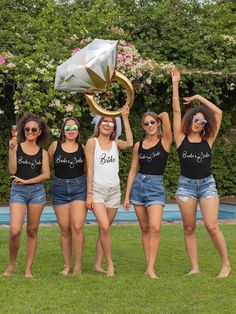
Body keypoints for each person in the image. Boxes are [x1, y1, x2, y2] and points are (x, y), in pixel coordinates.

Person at [171, 68, 231, 278]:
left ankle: (226, 265)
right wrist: (176, 84)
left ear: (206, 125)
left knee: (212, 226)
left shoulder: (209, 140)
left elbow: (219, 113)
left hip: (207, 185)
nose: (199, 123)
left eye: (202, 121)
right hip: (186, 186)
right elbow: (176, 111)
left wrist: (198, 97)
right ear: (190, 121)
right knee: (189, 228)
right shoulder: (180, 139)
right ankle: (194, 267)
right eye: (196, 120)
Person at [85, 105, 133, 277]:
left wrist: (125, 118)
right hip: (97, 191)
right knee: (105, 226)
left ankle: (98, 264)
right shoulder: (92, 143)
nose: (107, 124)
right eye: (104, 121)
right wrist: (89, 194)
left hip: (114, 192)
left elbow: (130, 143)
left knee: (104, 229)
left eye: (111, 122)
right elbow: (89, 169)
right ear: (98, 124)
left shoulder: (115, 144)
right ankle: (110, 264)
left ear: (115, 127)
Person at [124, 111, 172, 279]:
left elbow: (166, 115)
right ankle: (148, 266)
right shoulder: (139, 145)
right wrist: (127, 195)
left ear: (157, 123)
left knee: (155, 228)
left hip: (155, 187)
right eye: (146, 123)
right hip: (138, 186)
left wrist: (161, 116)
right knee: (145, 228)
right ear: (143, 126)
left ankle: (151, 268)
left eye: (152, 122)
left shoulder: (165, 141)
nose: (150, 125)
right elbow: (132, 171)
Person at [4, 113, 50, 277]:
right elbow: (12, 170)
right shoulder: (16, 147)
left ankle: (28, 268)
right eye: (27, 129)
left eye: (34, 129)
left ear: (39, 132)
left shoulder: (42, 153)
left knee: (32, 230)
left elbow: (46, 175)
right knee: (15, 231)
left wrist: (28, 181)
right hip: (18, 191)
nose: (30, 131)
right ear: (23, 130)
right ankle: (12, 263)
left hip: (36, 192)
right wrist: (11, 149)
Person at [48, 117, 87, 276]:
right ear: (63, 130)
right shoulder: (54, 146)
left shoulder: (82, 148)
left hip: (79, 188)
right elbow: (46, 167)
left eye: (74, 128)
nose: (71, 131)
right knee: (65, 230)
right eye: (68, 128)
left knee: (77, 226)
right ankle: (67, 265)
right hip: (59, 189)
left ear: (78, 131)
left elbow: (87, 170)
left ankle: (77, 265)